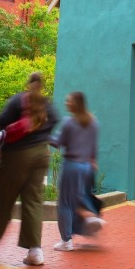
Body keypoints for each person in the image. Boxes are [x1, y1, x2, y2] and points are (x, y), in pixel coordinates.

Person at [0, 72, 59, 267]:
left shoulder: (18, 100)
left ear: (28, 84)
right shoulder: (47, 104)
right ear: (42, 85)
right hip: (41, 154)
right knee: (33, 202)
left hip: (18, 154)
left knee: (5, 200)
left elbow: (1, 121)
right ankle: (35, 251)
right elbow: (55, 121)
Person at [52, 91, 105, 251]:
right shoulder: (93, 122)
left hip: (72, 166)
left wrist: (43, 135)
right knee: (79, 198)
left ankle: (66, 241)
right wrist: (93, 162)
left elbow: (58, 143)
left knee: (65, 203)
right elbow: (94, 147)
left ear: (76, 103)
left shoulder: (69, 122)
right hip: (87, 166)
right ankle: (90, 216)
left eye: (69, 101)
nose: (66, 103)